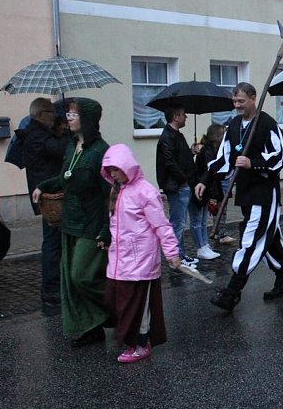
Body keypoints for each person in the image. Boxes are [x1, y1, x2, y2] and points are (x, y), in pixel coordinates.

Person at [195, 82, 283, 310]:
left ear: (252, 98)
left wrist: (253, 163)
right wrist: (204, 180)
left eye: (241, 101)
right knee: (270, 237)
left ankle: (232, 291)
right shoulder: (234, 125)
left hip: (264, 193)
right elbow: (223, 159)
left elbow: (280, 157)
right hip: (246, 194)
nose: (237, 106)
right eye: (235, 102)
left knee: (252, 240)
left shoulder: (267, 124)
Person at [33, 98, 111, 347]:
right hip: (70, 221)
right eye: (68, 113)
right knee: (71, 281)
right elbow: (65, 177)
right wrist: (42, 187)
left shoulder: (101, 151)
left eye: (74, 114)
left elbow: (109, 195)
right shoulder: (70, 147)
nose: (68, 117)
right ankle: (92, 327)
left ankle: (121, 307)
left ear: (88, 119)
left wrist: (106, 229)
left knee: (82, 276)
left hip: (92, 223)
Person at [102, 144, 180, 363]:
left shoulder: (146, 192)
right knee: (115, 301)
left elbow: (162, 226)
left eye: (116, 169)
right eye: (110, 170)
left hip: (141, 262)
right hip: (120, 260)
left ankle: (141, 344)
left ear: (127, 166)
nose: (114, 174)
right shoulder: (117, 191)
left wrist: (171, 252)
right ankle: (132, 340)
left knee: (138, 307)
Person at [20, 97, 68, 304]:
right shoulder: (38, 135)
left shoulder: (38, 133)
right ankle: (51, 288)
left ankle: (56, 285)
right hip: (49, 198)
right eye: (51, 112)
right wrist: (66, 131)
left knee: (54, 241)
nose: (55, 115)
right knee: (52, 243)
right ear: (40, 114)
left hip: (49, 195)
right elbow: (60, 149)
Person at [156, 106, 215, 267]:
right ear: (175, 116)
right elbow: (170, 162)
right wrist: (183, 180)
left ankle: (181, 254)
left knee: (181, 222)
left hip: (183, 184)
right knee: (178, 223)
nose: (186, 117)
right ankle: (176, 257)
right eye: (183, 115)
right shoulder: (167, 137)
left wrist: (191, 152)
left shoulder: (176, 135)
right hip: (177, 186)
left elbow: (179, 158)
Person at [196, 124, 234, 246]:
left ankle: (217, 231)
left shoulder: (213, 149)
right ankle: (221, 233)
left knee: (218, 208)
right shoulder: (209, 151)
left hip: (216, 183)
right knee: (219, 208)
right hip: (214, 185)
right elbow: (211, 169)